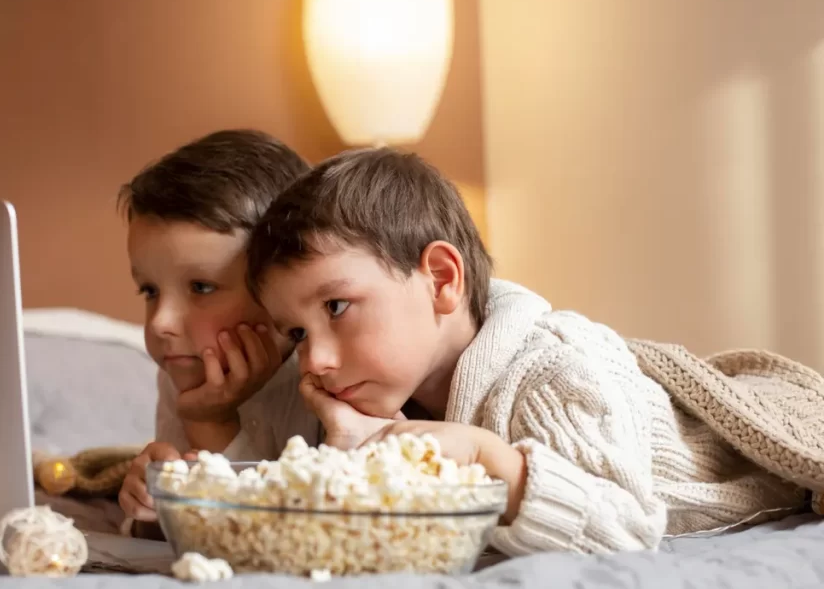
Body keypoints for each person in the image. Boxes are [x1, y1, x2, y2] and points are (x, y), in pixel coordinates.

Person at [244, 146, 808, 556]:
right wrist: (352, 444)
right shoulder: (378, 394)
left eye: (337, 307)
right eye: (296, 333)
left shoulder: (555, 374)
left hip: (724, 461)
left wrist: (491, 460)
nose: (314, 360)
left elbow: (627, 532)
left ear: (441, 281)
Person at [116, 130, 319, 526]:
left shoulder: (327, 374)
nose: (161, 323)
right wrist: (153, 509)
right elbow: (199, 526)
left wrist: (208, 423)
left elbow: (278, 530)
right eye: (149, 290)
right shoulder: (185, 369)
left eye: (202, 287)